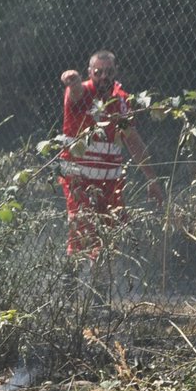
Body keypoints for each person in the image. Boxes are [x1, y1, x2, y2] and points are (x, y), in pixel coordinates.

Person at [57, 50, 165, 256]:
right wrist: (74, 81)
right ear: (90, 72)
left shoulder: (121, 100)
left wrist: (152, 179)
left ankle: (102, 283)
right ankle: (69, 282)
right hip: (78, 180)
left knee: (110, 236)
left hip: (109, 182)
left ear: (116, 71)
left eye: (108, 72)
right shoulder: (83, 93)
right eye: (98, 72)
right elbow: (75, 92)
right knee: (82, 231)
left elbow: (132, 140)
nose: (103, 77)